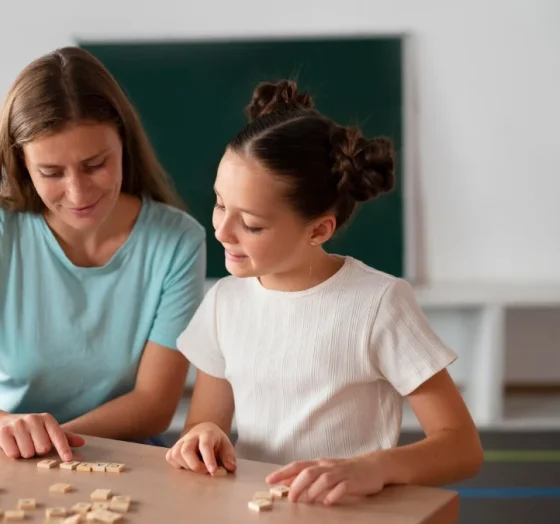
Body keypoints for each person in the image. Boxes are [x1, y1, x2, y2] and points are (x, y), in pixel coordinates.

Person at [0, 47, 206, 461]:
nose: (78, 192)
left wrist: (46, 441)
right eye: (51, 173)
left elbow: (154, 405)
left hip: (113, 457)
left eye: (95, 164)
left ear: (122, 140)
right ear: (23, 165)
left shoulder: (177, 240)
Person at [165, 80, 483, 505]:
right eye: (220, 203)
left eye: (252, 224)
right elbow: (204, 425)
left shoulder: (378, 304)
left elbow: (462, 447)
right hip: (259, 510)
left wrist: (376, 466)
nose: (221, 230)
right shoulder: (225, 301)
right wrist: (202, 436)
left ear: (318, 229)